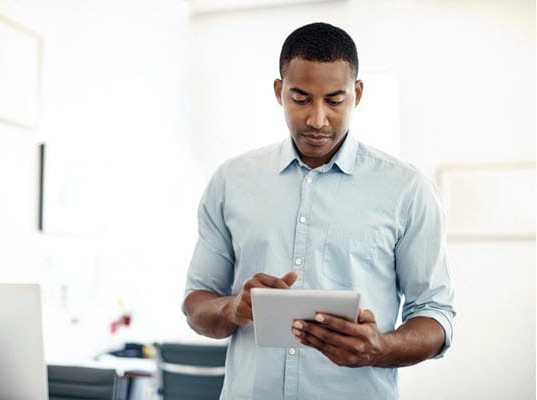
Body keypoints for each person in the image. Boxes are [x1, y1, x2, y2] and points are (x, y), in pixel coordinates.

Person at [182, 22, 455, 400]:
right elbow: (197, 306)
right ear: (279, 92)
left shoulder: (408, 189)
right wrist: (233, 308)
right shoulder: (232, 180)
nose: (317, 119)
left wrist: (380, 347)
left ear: (357, 94)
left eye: (335, 100)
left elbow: (437, 315)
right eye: (300, 98)